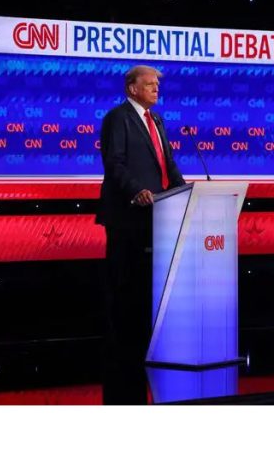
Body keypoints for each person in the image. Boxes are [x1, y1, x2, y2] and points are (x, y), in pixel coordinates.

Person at [95, 65, 185, 404]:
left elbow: (168, 165)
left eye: (157, 85)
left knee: (147, 291)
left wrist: (184, 190)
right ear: (132, 88)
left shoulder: (157, 120)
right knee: (125, 292)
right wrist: (137, 191)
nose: (155, 89)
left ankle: (146, 346)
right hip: (128, 217)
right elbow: (114, 163)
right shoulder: (118, 118)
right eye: (149, 84)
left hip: (157, 218)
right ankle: (123, 355)